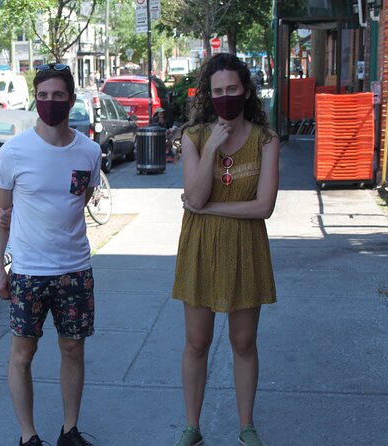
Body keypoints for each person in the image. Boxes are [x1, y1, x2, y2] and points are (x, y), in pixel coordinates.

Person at [171, 53, 280, 446]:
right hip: (200, 248)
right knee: (196, 342)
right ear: (208, 94)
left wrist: (210, 208)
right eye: (218, 91)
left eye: (232, 89)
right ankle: (192, 426)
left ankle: (246, 425)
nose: (225, 96)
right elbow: (193, 193)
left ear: (246, 91)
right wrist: (214, 146)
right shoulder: (194, 136)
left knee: (244, 343)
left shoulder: (267, 141)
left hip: (245, 249)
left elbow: (263, 207)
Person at [0, 63, 101, 446]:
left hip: (75, 269)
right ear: (34, 99)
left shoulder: (90, 151)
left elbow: (80, 199)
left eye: (57, 96)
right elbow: (0, 215)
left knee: (73, 349)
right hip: (28, 273)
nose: (49, 103)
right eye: (42, 96)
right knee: (23, 353)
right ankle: (28, 435)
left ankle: (70, 430)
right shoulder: (14, 152)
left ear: (71, 99)